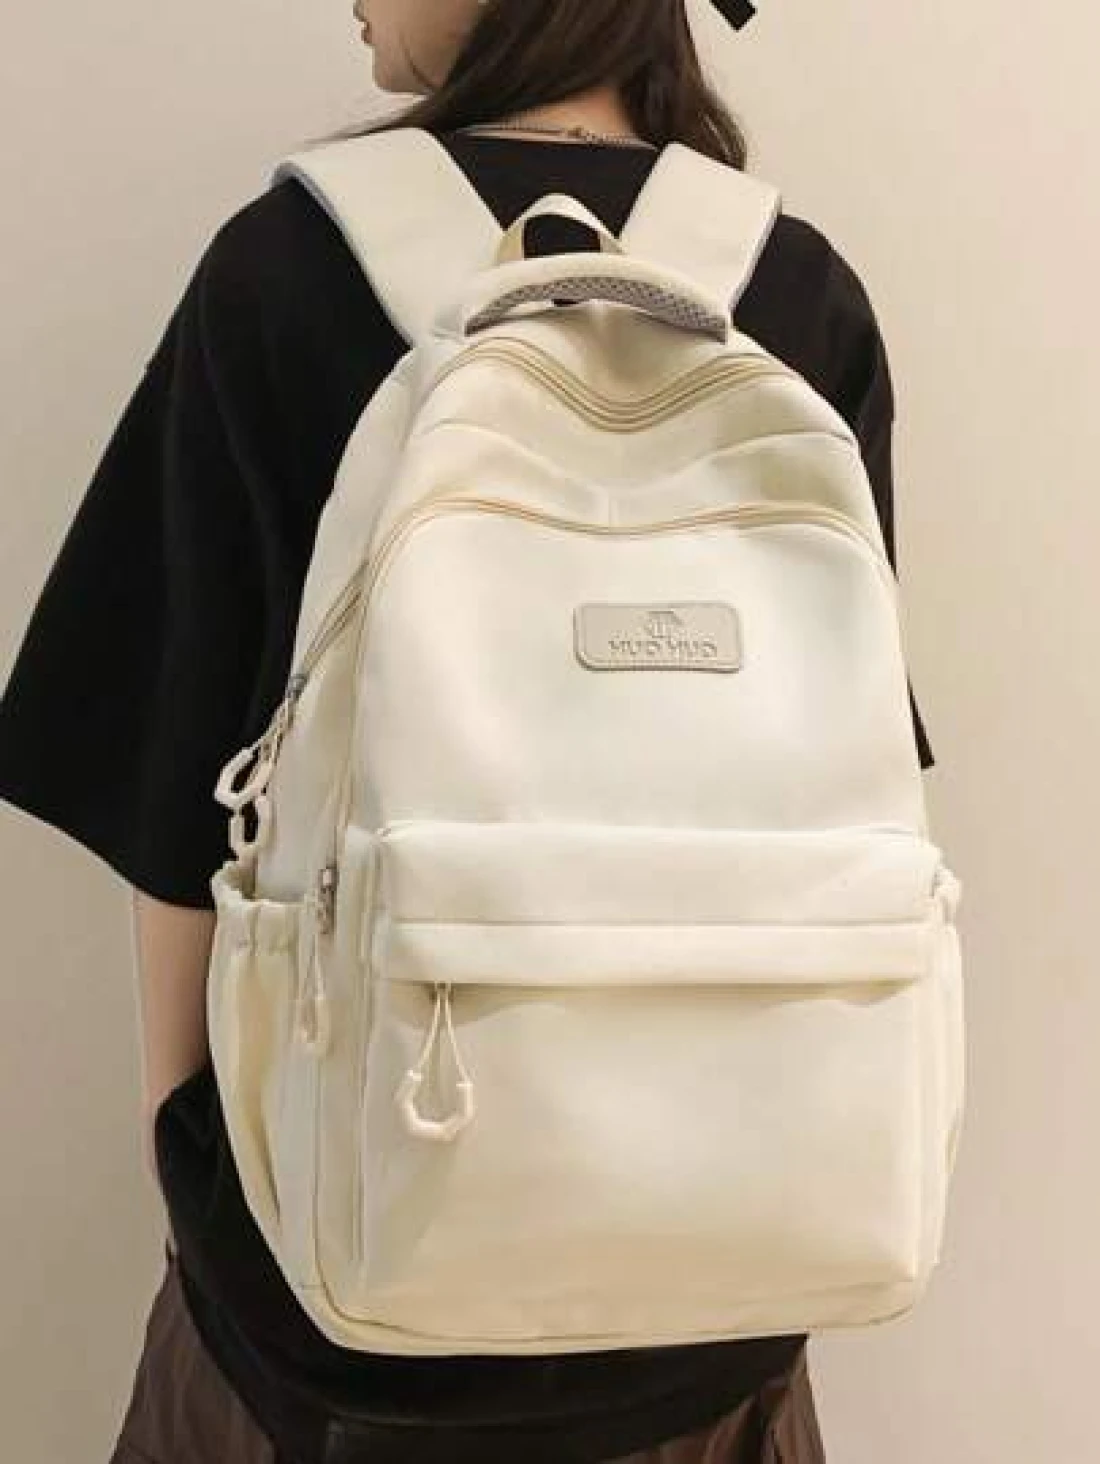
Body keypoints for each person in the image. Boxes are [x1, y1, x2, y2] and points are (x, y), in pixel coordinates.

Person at [0, 1, 935, 1461]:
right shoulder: (798, 292)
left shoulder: (286, 271)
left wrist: (198, 1179)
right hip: (729, 1323)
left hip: (332, 1338)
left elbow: (169, 795)